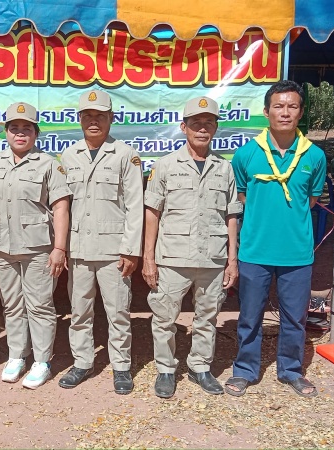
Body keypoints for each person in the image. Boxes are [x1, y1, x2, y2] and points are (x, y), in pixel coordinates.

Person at [227, 80, 327, 398]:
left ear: (301, 112)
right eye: (279, 106)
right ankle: (245, 370)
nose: (285, 112)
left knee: (295, 318)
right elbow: (242, 197)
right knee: (249, 316)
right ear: (266, 111)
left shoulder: (315, 156)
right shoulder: (246, 155)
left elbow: (310, 200)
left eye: (292, 106)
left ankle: (291, 370)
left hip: (296, 252)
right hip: (255, 250)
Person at [141, 96, 241, 399]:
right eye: (196, 123)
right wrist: (148, 258)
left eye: (208, 123)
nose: (202, 128)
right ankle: (166, 369)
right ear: (184, 127)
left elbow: (231, 215)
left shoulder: (225, 168)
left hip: (212, 258)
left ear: (216, 128)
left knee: (207, 318)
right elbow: (152, 213)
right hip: (173, 257)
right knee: (164, 318)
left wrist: (232, 260)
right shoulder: (165, 166)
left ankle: (200, 367)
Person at [0, 102, 72, 389]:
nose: (20, 134)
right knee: (11, 305)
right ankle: (17, 355)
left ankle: (42, 360)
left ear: (36, 133)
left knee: (40, 305)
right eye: (14, 128)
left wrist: (59, 248)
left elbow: (61, 207)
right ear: (6, 132)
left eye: (27, 129)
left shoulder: (49, 164)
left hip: (38, 249)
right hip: (2, 248)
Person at [58, 90, 144, 394]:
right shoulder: (69, 156)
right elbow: (62, 206)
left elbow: (135, 205)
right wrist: (61, 247)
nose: (93, 121)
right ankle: (82, 362)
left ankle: (121, 366)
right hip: (79, 248)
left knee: (118, 312)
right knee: (79, 312)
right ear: (80, 119)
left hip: (113, 251)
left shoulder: (125, 155)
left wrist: (131, 250)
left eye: (100, 116)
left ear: (111, 118)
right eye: (88, 116)